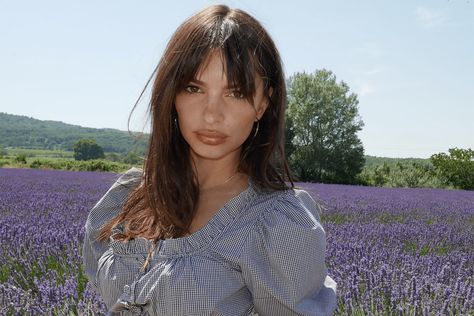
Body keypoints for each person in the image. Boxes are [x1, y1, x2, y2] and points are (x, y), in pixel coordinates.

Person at [82, 4, 337, 316]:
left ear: (262, 104)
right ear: (172, 95)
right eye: (194, 88)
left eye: (235, 92)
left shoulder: (274, 224)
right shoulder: (130, 196)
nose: (212, 115)